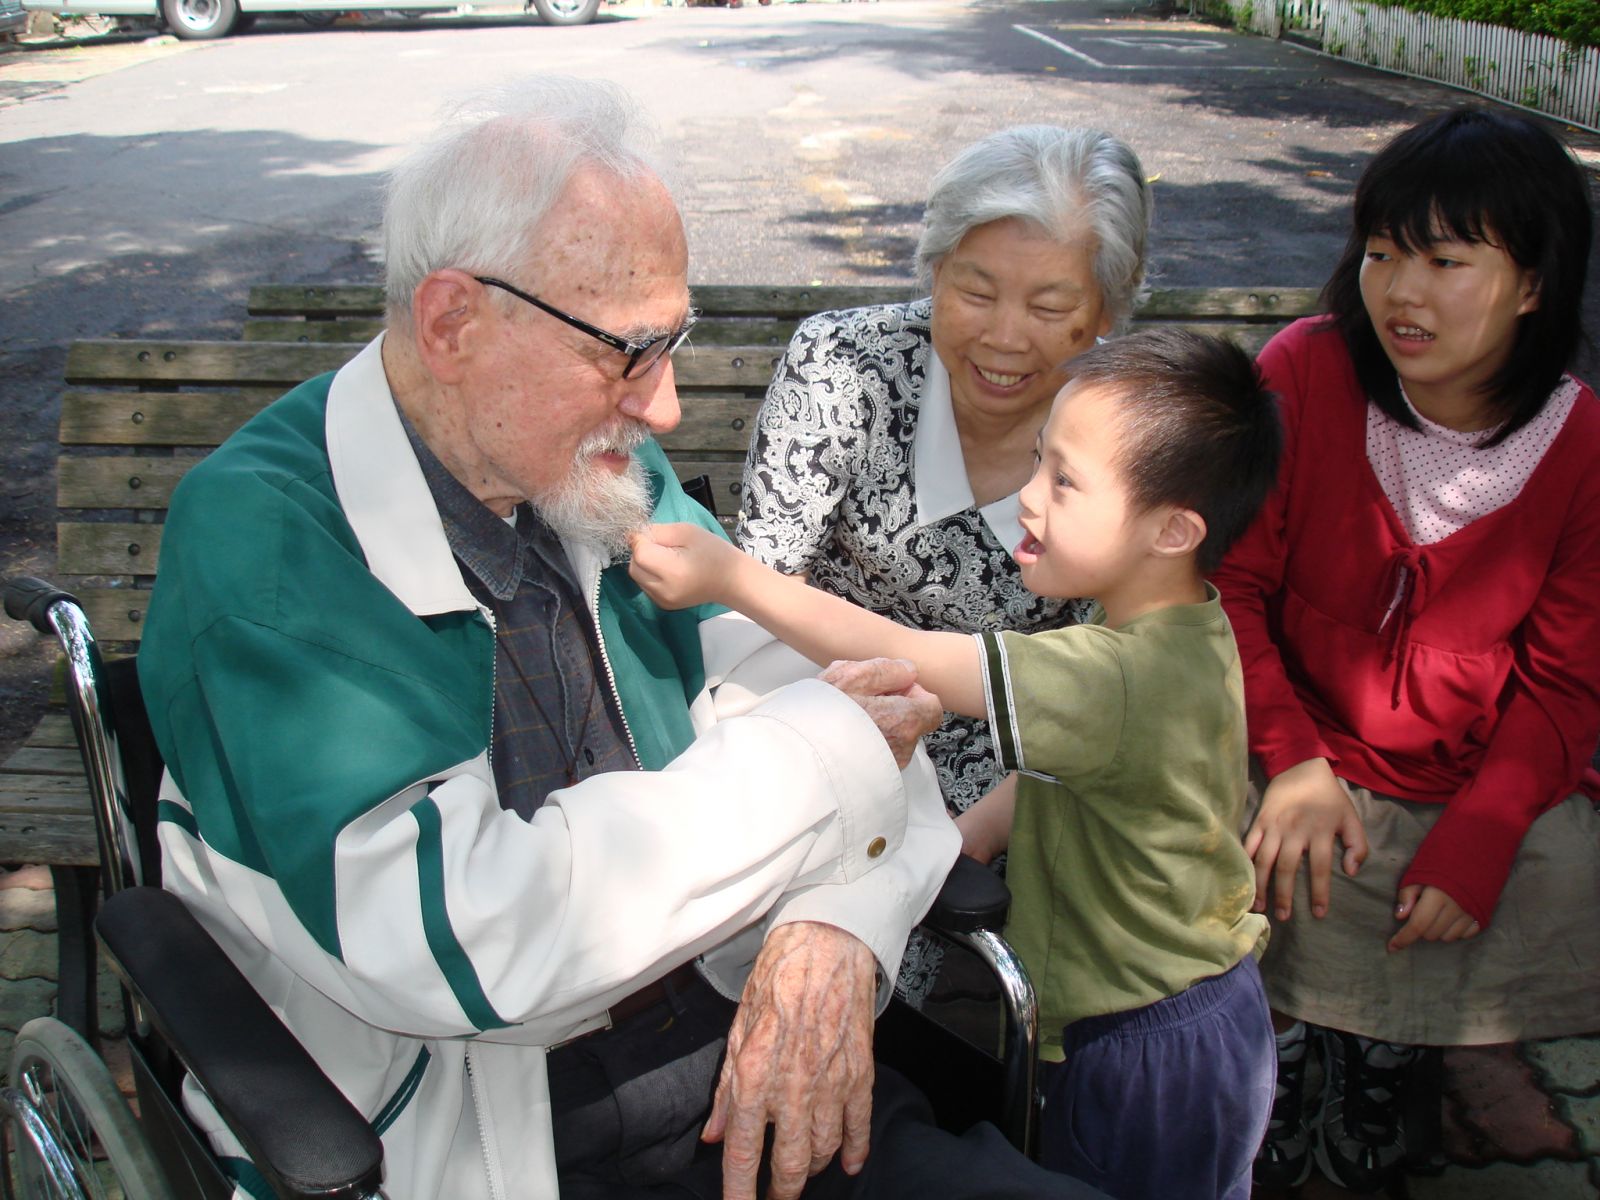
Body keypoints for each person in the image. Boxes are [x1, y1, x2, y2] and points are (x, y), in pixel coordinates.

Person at [136, 77, 1111, 1200]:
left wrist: (837, 925)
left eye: (674, 344)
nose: (665, 411)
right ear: (454, 321)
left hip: (756, 1060)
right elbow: (461, 941)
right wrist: (817, 761)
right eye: (628, 351)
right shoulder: (272, 544)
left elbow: (857, 704)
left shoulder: (589, 469)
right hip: (503, 1134)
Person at [632, 327, 1284, 1200]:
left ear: (1172, 529)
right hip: (1202, 1010)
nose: (1028, 498)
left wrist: (733, 579)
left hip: (1142, 1041)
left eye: (1064, 481)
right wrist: (970, 833)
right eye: (1038, 461)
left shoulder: (1112, 673)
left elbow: (906, 651)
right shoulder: (1180, 631)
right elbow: (1086, 770)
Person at [1209, 107, 1600, 1193]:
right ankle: (1276, 1066)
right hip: (1286, 741)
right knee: (1249, 842)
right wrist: (1289, 759)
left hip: (1464, 775)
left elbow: (1568, 680)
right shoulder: (1306, 374)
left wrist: (1478, 833)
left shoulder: (1579, 448)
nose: (1400, 292)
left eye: (1444, 260)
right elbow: (1225, 587)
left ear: (1532, 284)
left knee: (1543, 865)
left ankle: (1386, 1063)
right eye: (1381, 254)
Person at [736, 124, 1152, 1000]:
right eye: (976, 289)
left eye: (1048, 308)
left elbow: (1115, 679)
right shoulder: (845, 367)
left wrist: (973, 833)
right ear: (932, 272)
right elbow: (753, 598)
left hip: (1006, 772)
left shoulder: (1127, 440)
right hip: (819, 718)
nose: (1004, 338)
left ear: (1106, 314)